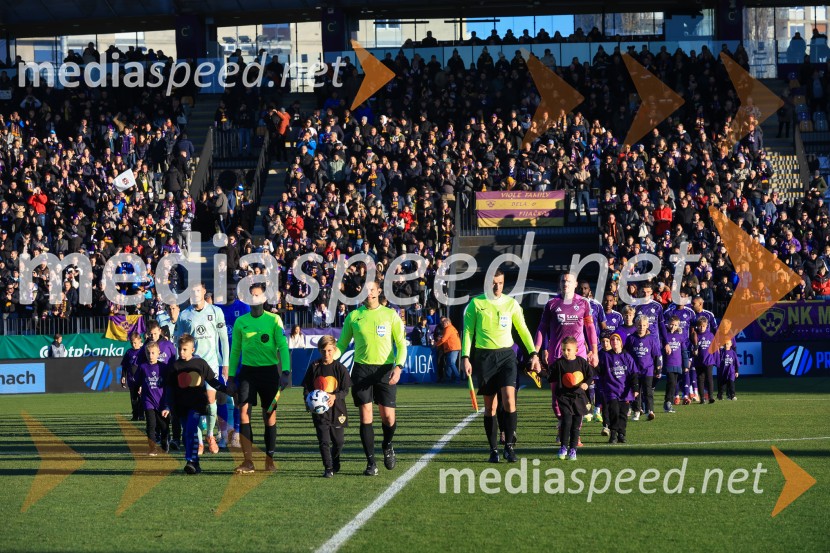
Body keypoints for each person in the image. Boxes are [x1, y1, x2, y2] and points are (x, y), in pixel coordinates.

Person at [462, 269, 540, 464]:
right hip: (485, 357)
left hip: (506, 356)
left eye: (500, 283)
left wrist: (533, 353)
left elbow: (522, 329)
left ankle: (509, 447)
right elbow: (468, 332)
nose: (497, 287)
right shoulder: (476, 304)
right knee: (491, 407)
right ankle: (493, 450)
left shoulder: (511, 304)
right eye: (494, 283)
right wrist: (465, 357)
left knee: (509, 401)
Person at [335, 280, 407, 476]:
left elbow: (401, 344)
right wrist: (330, 357)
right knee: (366, 417)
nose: (369, 293)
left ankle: (387, 445)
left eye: (373, 290)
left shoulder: (390, 315)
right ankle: (370, 462)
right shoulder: (354, 316)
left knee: (388, 418)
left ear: (379, 291)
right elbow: (342, 344)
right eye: (366, 290)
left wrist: (398, 367)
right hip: (361, 370)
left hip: (385, 371)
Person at [226, 283, 291, 474]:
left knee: (269, 415)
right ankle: (248, 461)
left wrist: (285, 372)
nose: (255, 299)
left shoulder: (274, 320)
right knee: (244, 412)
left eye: (258, 295)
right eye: (251, 295)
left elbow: (283, 347)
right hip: (248, 373)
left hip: (269, 372)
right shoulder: (241, 322)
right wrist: (231, 377)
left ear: (264, 299)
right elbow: (235, 350)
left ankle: (269, 459)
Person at [174, 282, 229, 455]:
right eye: (192, 291)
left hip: (211, 364)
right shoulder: (184, 315)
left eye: (198, 290)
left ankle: (210, 435)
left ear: (204, 292)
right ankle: (199, 442)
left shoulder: (215, 312)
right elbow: (178, 342)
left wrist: (225, 363)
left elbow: (223, 340)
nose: (195, 294)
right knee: (194, 405)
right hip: (191, 366)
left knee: (211, 402)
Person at [169, 334, 227, 474]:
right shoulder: (175, 366)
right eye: (180, 349)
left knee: (190, 430)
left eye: (185, 349)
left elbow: (212, 381)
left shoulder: (200, 364)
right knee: (187, 434)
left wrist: (226, 390)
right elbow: (169, 388)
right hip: (180, 406)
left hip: (196, 405)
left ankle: (190, 460)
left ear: (192, 349)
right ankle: (196, 464)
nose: (182, 352)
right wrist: (169, 406)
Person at [302, 335, 352, 478]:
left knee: (339, 442)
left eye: (329, 350)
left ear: (334, 350)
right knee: (324, 441)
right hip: (319, 412)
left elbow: (345, 390)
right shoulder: (314, 367)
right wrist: (308, 400)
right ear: (319, 350)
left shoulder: (340, 368)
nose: (326, 354)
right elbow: (306, 388)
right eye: (323, 351)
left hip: (337, 410)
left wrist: (334, 396)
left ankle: (335, 459)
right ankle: (328, 468)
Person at [546, 336, 593, 460]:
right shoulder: (559, 363)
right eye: (563, 350)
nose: (565, 352)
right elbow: (549, 376)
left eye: (568, 350)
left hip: (579, 398)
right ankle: (563, 447)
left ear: (576, 350)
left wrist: (586, 384)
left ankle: (573, 449)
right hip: (564, 397)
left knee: (576, 425)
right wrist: (539, 371)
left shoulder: (581, 362)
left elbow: (590, 375)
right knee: (566, 422)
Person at [218, 290, 251, 449]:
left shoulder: (244, 307)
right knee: (221, 398)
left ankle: (237, 434)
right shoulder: (216, 309)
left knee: (239, 399)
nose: (229, 292)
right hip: (221, 361)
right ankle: (223, 434)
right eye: (227, 289)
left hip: (240, 361)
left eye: (232, 289)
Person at [140, 322, 179, 449]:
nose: (153, 336)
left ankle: (170, 438)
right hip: (150, 390)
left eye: (155, 333)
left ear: (160, 331)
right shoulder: (145, 346)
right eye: (150, 334)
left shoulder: (168, 345)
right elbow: (140, 367)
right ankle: (153, 444)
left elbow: (174, 362)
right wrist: (141, 384)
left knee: (165, 420)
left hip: (164, 390)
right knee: (151, 422)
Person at [597, 332, 638, 444]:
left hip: (625, 391)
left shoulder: (627, 356)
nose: (614, 342)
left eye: (617, 340)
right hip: (611, 390)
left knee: (623, 414)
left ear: (621, 342)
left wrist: (635, 389)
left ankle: (622, 434)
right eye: (612, 340)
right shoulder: (606, 356)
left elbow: (633, 374)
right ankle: (613, 434)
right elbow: (599, 372)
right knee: (614, 412)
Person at [135, 341, 170, 455]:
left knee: (164, 426)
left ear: (158, 353)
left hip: (161, 401)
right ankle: (152, 448)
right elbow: (138, 380)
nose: (151, 355)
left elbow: (168, 384)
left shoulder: (163, 367)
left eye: (153, 353)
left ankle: (165, 443)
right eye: (148, 353)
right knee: (151, 425)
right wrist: (140, 386)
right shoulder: (143, 367)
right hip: (148, 400)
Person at [625, 315, 662, 421]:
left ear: (647, 325)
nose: (641, 327)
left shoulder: (651, 339)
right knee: (636, 391)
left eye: (644, 325)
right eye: (639, 325)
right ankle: (636, 411)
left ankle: (650, 411)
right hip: (635, 370)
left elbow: (656, 355)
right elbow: (626, 354)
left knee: (648, 391)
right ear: (636, 325)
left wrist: (657, 368)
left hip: (648, 369)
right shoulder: (631, 338)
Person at [662, 315, 685, 413]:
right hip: (668, 363)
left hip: (678, 364)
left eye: (675, 325)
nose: (673, 327)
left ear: (678, 325)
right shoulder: (665, 336)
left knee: (674, 384)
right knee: (671, 383)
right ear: (668, 323)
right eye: (671, 324)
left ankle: (668, 403)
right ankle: (668, 402)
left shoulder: (680, 336)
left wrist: (686, 364)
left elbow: (683, 351)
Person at [692, 316, 718, 404]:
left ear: (707, 325)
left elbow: (714, 348)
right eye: (700, 326)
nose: (701, 327)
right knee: (700, 379)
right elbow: (692, 347)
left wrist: (716, 360)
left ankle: (711, 397)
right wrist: (694, 350)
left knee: (709, 378)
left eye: (703, 326)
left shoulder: (710, 335)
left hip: (709, 360)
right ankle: (702, 398)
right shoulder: (695, 335)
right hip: (699, 361)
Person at [119, 332, 144, 421]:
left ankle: (141, 415)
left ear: (140, 341)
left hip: (141, 380)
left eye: (135, 343)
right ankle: (135, 415)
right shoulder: (129, 352)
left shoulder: (143, 352)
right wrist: (123, 376)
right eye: (131, 343)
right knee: (134, 399)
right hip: (131, 380)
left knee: (141, 398)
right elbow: (124, 366)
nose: (133, 345)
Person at [433, 316, 461, 383]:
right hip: (452, 348)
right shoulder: (450, 328)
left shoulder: (449, 329)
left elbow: (443, 339)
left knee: (451, 362)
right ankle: (448, 378)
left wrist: (436, 344)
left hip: (453, 348)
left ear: (448, 323)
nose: (443, 324)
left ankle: (457, 377)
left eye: (444, 323)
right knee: (449, 363)